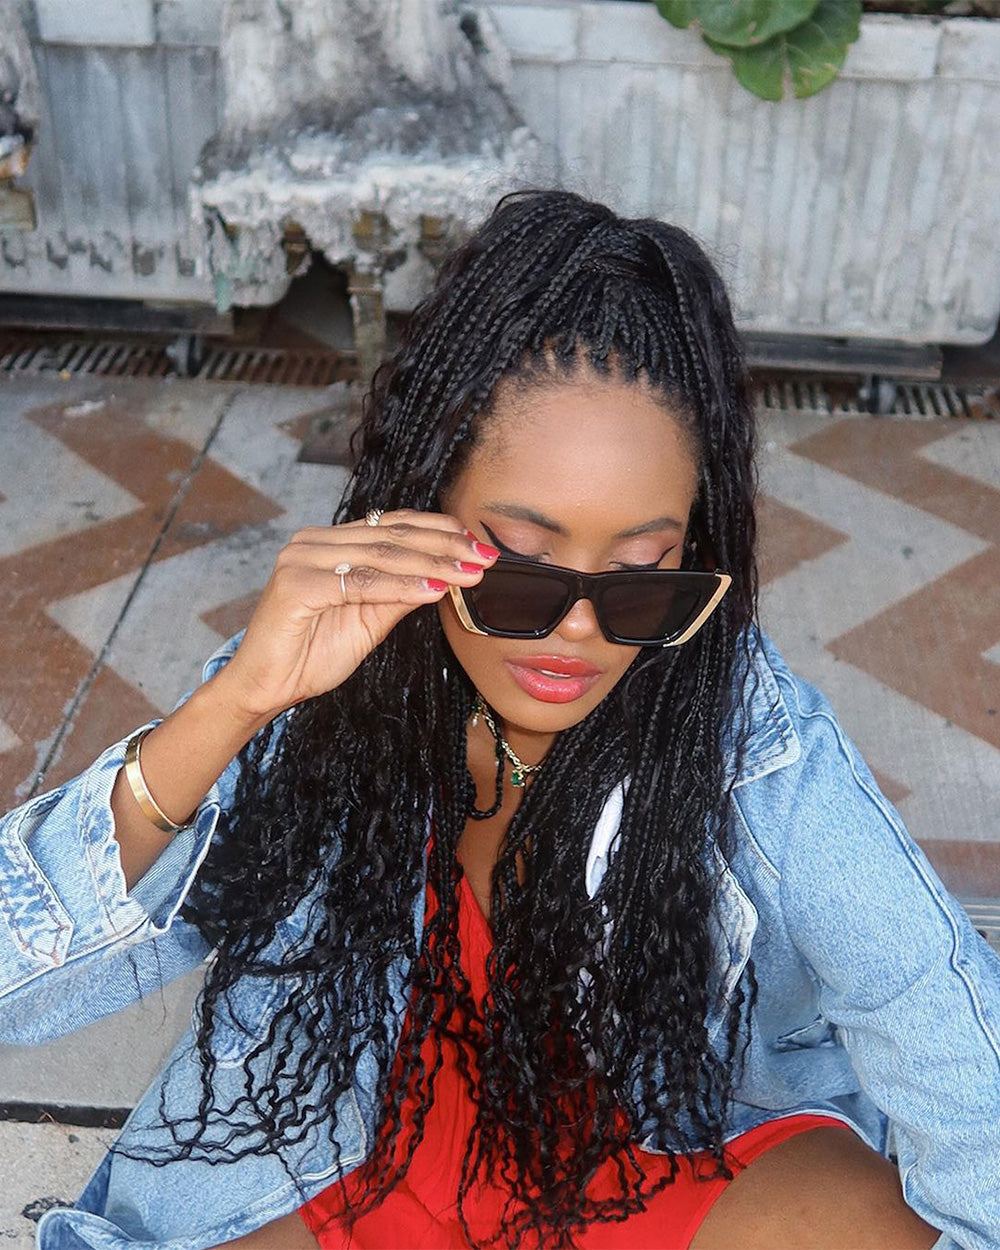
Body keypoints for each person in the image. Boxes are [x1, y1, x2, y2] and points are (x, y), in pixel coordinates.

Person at [1, 188, 996, 1250]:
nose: (579, 632)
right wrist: (236, 701)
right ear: (425, 503)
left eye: (641, 578)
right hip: (355, 1164)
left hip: (645, 1170)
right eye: (522, 570)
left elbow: (938, 1021)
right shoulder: (329, 684)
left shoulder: (748, 736)